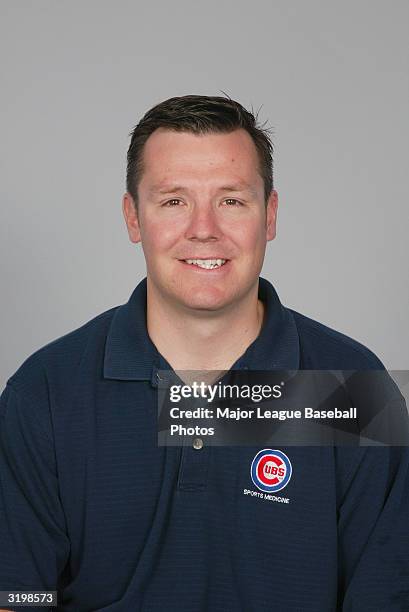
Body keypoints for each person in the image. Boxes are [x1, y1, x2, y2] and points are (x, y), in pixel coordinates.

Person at [0, 94, 407, 612]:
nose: (203, 229)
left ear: (270, 215)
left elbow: (386, 595)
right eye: (173, 200)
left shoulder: (352, 389)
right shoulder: (46, 393)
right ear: (132, 218)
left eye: (231, 200)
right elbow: (18, 597)